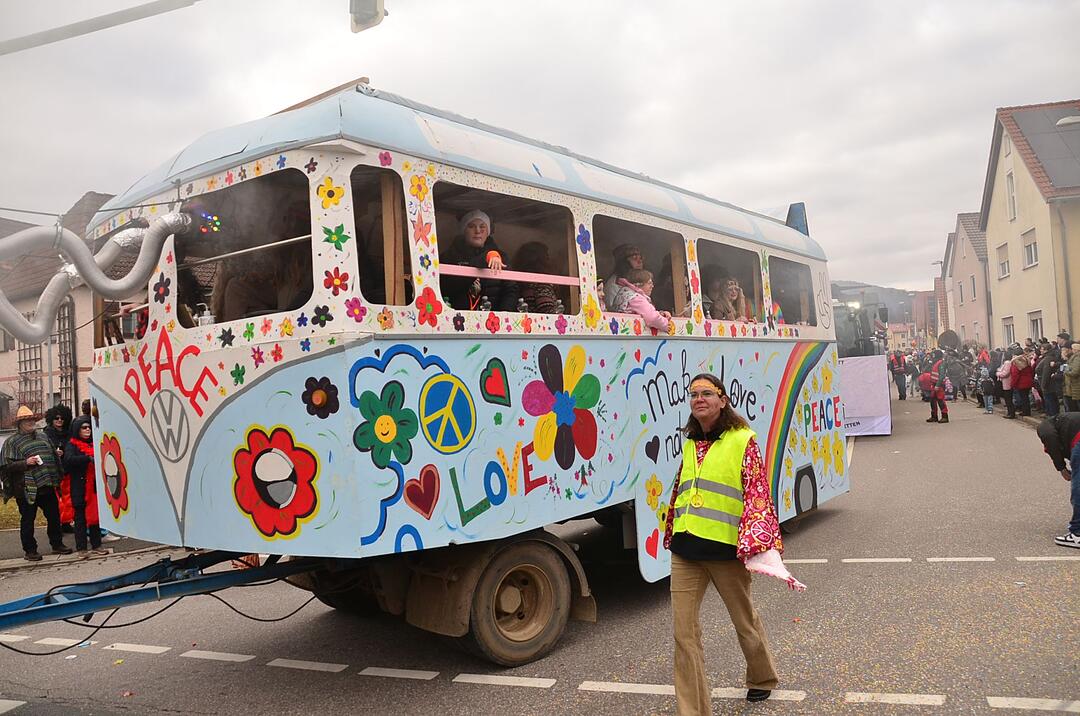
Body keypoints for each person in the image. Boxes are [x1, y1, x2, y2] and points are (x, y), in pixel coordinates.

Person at [664, 373, 782, 709]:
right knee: (683, 635)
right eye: (693, 394)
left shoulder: (742, 439)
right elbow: (682, 490)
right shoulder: (690, 442)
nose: (698, 399)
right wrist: (672, 529)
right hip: (686, 551)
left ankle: (761, 676)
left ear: (723, 400)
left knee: (744, 621)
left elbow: (757, 494)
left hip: (725, 551)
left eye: (706, 393)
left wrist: (755, 544)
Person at [0, 406, 73, 561]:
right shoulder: (11, 442)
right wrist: (25, 462)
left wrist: (57, 464)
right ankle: (30, 550)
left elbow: (53, 456)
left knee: (54, 516)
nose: (30, 422)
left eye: (32, 419)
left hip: (46, 484)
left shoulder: (43, 436)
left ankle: (57, 544)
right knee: (28, 520)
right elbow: (6, 467)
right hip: (25, 488)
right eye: (27, 420)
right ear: (19, 423)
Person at [440, 210, 520, 312]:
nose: (477, 231)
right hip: (458, 320)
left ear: (488, 232)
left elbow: (511, 290)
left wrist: (503, 315)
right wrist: (482, 261)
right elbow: (444, 288)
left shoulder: (501, 257)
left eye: (482, 227)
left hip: (493, 321)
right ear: (464, 230)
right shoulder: (449, 256)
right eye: (471, 226)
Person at [1035, 412, 1080, 549]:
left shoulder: (1045, 426)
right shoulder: (1066, 420)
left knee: (1078, 486)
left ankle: (1077, 532)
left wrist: (1061, 467)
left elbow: (1050, 438)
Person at [62, 416, 106, 556]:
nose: (87, 430)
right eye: (84, 427)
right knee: (80, 519)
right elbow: (68, 460)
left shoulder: (94, 443)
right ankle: (81, 549)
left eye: (89, 427)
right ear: (77, 430)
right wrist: (87, 458)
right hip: (79, 487)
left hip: (94, 487)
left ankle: (97, 545)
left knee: (95, 518)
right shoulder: (72, 445)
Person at [42, 404, 74, 533]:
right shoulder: (46, 434)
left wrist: (65, 452)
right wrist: (54, 452)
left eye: (62, 418)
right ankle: (60, 522)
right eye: (56, 418)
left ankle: (66, 521)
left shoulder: (70, 432)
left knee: (69, 497)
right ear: (51, 419)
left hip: (68, 468)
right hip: (54, 470)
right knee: (57, 499)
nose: (59, 420)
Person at [609, 268, 673, 332]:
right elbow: (652, 318)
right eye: (649, 283)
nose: (652, 286)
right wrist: (666, 325)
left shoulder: (625, 294)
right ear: (638, 285)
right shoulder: (636, 298)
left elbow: (643, 312)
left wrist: (661, 314)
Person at [513, 241, 559, 314]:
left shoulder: (522, 284)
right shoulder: (542, 284)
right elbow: (548, 312)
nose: (550, 260)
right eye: (547, 256)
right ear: (542, 260)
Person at [603, 243, 645, 312]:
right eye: (634, 258)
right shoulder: (614, 285)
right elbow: (612, 310)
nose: (640, 261)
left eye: (641, 258)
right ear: (624, 262)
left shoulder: (641, 281)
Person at [925, 350, 950, 423]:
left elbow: (942, 376)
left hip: (939, 385)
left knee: (940, 400)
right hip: (934, 384)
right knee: (932, 400)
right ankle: (934, 416)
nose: (932, 357)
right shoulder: (935, 363)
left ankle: (945, 416)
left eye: (933, 355)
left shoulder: (941, 363)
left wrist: (938, 385)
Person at [1011, 348, 1035, 417]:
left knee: (1023, 398)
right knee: (1026, 397)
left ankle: (1025, 412)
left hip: (1021, 382)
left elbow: (1015, 374)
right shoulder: (1027, 360)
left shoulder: (1017, 362)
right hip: (1028, 381)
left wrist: (1013, 384)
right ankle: (1027, 411)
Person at [997, 348, 1017, 418]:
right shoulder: (1008, 362)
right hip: (1007, 382)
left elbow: (1005, 373)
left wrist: (998, 374)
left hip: (1007, 383)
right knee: (1008, 399)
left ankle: (1011, 413)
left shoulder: (1007, 363)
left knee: (1008, 399)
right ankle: (1010, 412)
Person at [1064, 343, 1080, 413]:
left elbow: (1075, 372)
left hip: (1075, 384)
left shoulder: (1077, 358)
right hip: (1073, 384)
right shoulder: (1074, 357)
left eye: (1072, 349)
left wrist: (1066, 371)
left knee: (1075, 406)